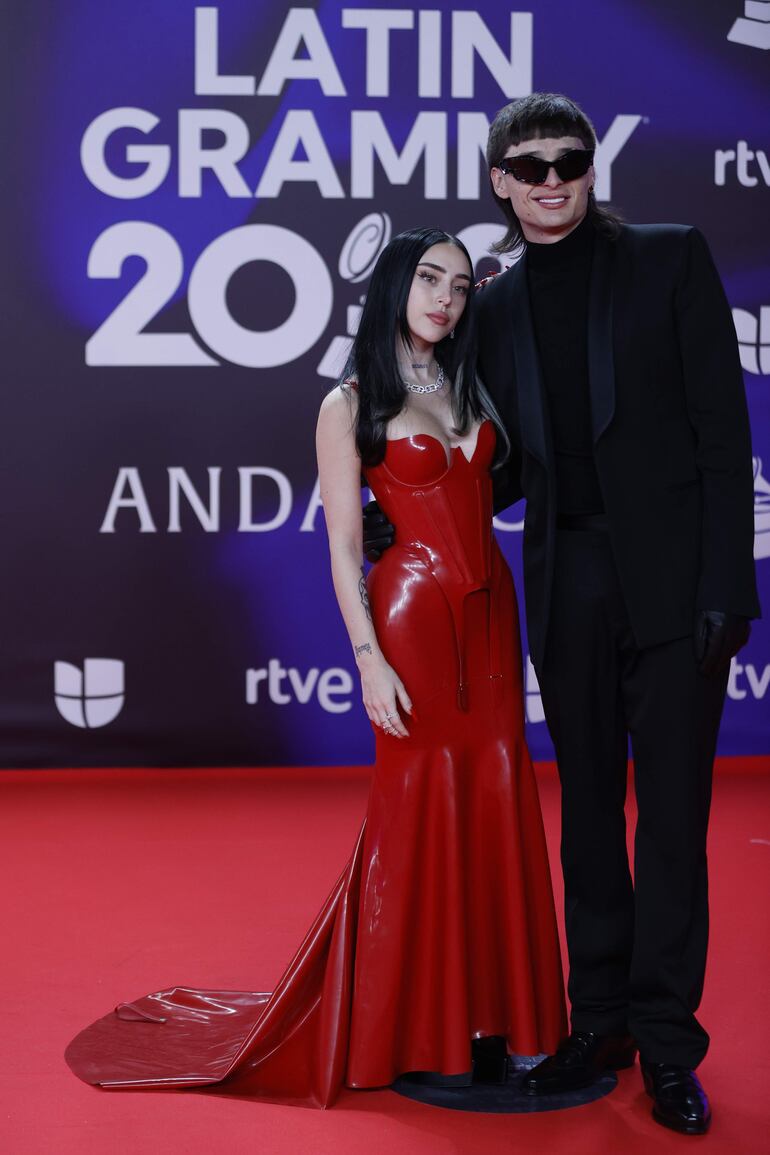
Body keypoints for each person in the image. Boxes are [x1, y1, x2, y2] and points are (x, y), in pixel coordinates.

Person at [65, 227, 567, 1107]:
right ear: (391, 289)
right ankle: (409, 1025)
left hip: (493, 622)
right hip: (410, 617)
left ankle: (500, 1020)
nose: (445, 298)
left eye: (458, 284)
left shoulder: (471, 380)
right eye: (427, 280)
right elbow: (341, 550)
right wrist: (369, 659)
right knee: (419, 814)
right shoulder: (348, 402)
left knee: (497, 797)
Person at [366, 94, 759, 1136]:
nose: (549, 179)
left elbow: (724, 433)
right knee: (586, 817)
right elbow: (497, 469)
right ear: (498, 179)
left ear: (590, 168)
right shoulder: (488, 311)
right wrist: (391, 521)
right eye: (527, 164)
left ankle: (669, 1048)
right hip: (563, 582)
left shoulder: (668, 258)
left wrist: (728, 585)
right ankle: (600, 1026)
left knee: (670, 825)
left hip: (676, 591)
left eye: (567, 160)